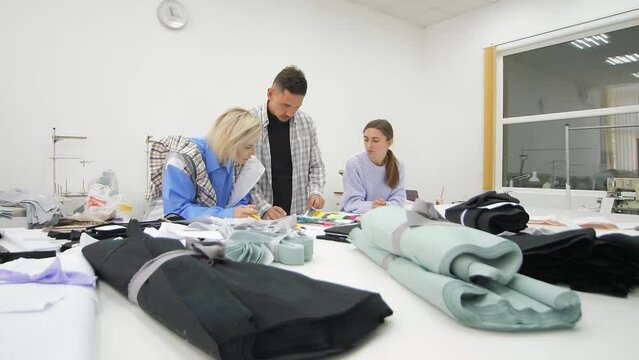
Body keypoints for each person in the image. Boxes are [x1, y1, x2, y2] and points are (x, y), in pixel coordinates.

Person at [250, 65, 326, 220]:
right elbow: (240, 175)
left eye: (296, 107)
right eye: (285, 105)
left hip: (297, 217)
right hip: (260, 218)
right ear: (270, 94)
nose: (290, 113)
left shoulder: (306, 123)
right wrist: (264, 208)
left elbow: (316, 166)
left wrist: (315, 192)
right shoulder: (249, 122)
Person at [161, 107, 261, 219]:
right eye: (248, 147)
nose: (253, 153)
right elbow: (176, 213)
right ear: (229, 142)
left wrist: (245, 212)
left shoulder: (236, 161)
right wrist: (228, 215)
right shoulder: (184, 158)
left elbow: (240, 201)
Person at [340, 119, 406, 214]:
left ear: (389, 142)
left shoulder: (398, 165)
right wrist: (372, 206)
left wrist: (385, 206)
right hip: (354, 218)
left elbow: (399, 200)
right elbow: (352, 203)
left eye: (375, 140)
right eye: (366, 139)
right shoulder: (353, 164)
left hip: (384, 218)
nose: (369, 145)